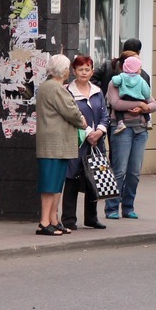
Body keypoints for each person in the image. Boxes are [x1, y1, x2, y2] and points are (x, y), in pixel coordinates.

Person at [35, 53, 87, 236]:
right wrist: (81, 119)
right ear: (64, 71)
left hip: (57, 143)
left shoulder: (46, 86)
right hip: (53, 142)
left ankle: (53, 220)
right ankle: (44, 222)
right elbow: (71, 111)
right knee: (50, 184)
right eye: (67, 69)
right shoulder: (55, 88)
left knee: (56, 184)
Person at [104, 47, 156, 221]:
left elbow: (153, 104)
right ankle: (111, 207)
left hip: (140, 130)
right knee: (119, 170)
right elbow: (116, 104)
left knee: (134, 172)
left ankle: (128, 207)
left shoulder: (141, 80)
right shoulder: (115, 82)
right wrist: (140, 105)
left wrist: (144, 107)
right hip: (122, 129)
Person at [61, 55, 110, 231]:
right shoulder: (67, 91)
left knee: (94, 178)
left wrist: (100, 131)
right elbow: (71, 114)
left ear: (92, 71)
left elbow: (105, 114)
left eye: (87, 69)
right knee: (72, 178)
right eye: (80, 69)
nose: (84, 72)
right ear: (74, 71)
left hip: (96, 143)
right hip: (76, 141)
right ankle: (68, 219)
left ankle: (92, 218)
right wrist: (89, 132)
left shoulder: (97, 90)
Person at [111, 55, 152, 134]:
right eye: (140, 68)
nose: (141, 70)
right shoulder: (140, 79)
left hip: (125, 98)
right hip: (138, 98)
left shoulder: (122, 76)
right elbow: (146, 92)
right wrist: (145, 98)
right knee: (145, 105)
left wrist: (116, 81)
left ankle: (120, 123)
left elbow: (115, 82)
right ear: (136, 69)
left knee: (118, 110)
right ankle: (148, 121)